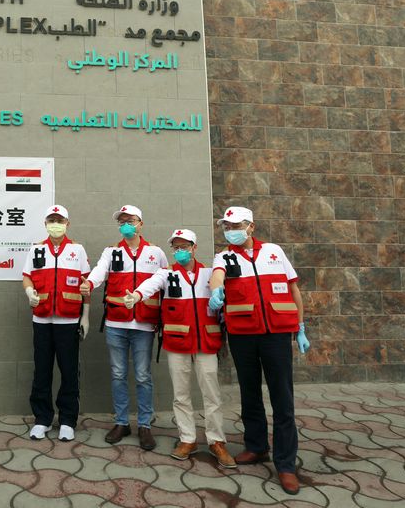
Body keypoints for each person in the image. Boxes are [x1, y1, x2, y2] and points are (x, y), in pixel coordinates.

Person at [208, 206, 311, 495]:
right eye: (226, 227)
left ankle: (286, 464)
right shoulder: (224, 256)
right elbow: (217, 276)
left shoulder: (274, 252)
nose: (230, 231)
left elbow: (293, 289)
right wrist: (217, 290)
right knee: (249, 393)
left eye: (236, 225)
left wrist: (301, 327)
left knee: (282, 397)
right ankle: (256, 447)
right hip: (242, 335)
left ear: (251, 226)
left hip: (276, 336)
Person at [130, 228, 235, 468]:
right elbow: (149, 285)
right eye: (176, 247)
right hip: (177, 343)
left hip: (206, 343)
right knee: (181, 395)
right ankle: (187, 439)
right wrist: (135, 296)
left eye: (184, 247)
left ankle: (216, 441)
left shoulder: (210, 274)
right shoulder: (166, 275)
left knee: (212, 394)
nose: (180, 251)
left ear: (194, 248)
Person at [80, 205, 166, 450]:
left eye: (130, 220)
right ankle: (121, 422)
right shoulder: (112, 252)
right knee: (118, 374)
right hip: (116, 322)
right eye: (122, 221)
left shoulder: (156, 253)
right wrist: (90, 283)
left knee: (142, 376)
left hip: (144, 324)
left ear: (141, 223)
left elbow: (165, 282)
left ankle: (145, 425)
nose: (126, 224)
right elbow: (99, 271)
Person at [22, 205, 90, 442]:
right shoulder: (36, 249)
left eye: (59, 220)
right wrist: (29, 291)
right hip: (41, 319)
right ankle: (42, 419)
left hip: (69, 320)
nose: (55, 224)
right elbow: (27, 276)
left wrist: (86, 314)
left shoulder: (77, 250)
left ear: (67, 224)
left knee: (69, 371)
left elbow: (85, 284)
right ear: (45, 224)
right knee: (42, 370)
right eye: (51, 220)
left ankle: (68, 420)